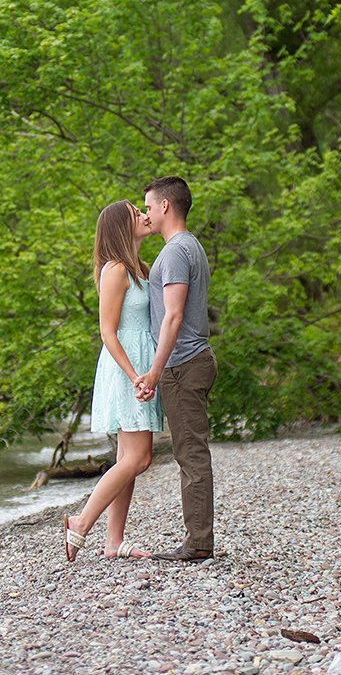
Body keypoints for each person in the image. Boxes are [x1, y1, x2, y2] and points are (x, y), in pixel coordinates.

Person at [64, 200, 163, 562]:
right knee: (139, 458)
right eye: (137, 212)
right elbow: (108, 333)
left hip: (142, 365)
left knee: (127, 457)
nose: (144, 215)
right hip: (126, 368)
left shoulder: (142, 268)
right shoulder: (115, 270)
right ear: (122, 225)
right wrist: (135, 374)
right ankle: (81, 521)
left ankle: (114, 540)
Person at [134, 176, 217, 562]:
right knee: (191, 452)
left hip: (183, 365)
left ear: (165, 206)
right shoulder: (190, 247)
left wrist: (154, 370)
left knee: (191, 454)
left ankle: (198, 543)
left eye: (148, 206)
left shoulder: (173, 253)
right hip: (189, 361)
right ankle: (198, 539)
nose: (146, 213)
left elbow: (173, 316)